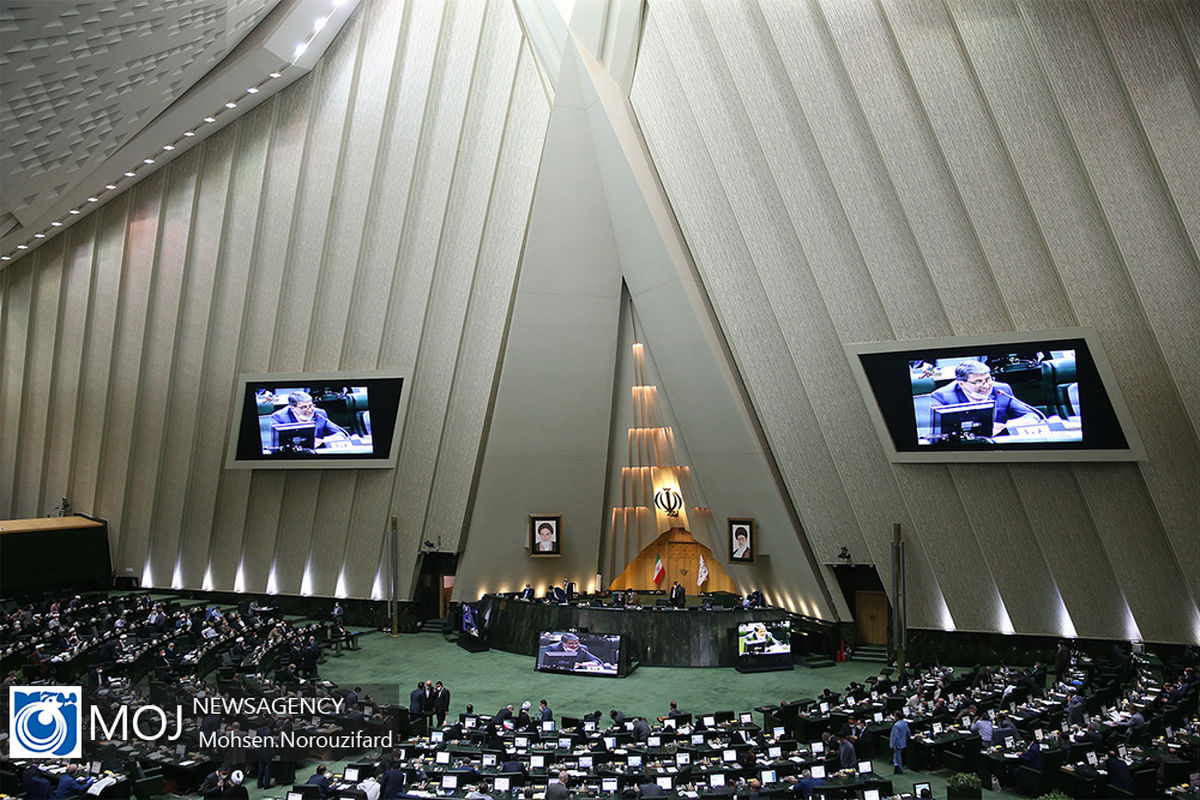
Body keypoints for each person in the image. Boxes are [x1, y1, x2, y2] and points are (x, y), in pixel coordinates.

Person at [928, 360, 1041, 435]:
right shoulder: (942, 396)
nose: (986, 386)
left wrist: (1010, 425)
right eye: (978, 382)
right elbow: (936, 432)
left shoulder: (1002, 390)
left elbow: (1031, 415)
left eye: (988, 379)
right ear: (962, 384)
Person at [268, 391, 349, 448]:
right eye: (304, 407)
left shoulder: (320, 413)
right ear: (292, 408)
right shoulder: (279, 417)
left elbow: (340, 434)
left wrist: (323, 440)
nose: (310, 410)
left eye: (311, 405)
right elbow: (274, 444)